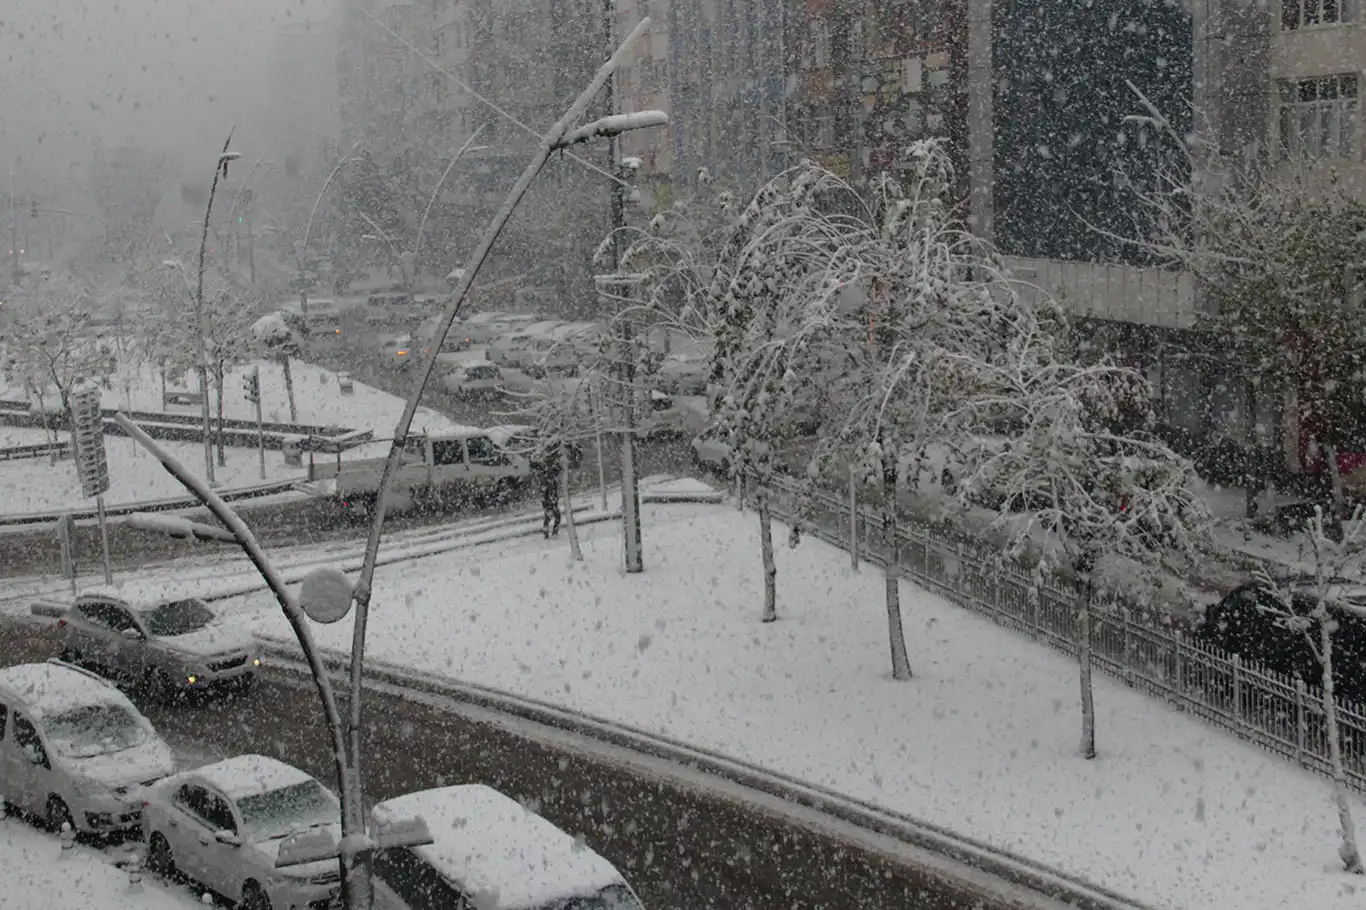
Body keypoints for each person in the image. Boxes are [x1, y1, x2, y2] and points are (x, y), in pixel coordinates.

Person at [540, 442, 562, 538]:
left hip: (549, 498)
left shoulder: (546, 471)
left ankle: (548, 532)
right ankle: (550, 532)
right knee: (554, 516)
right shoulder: (548, 473)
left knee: (551, 516)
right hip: (549, 498)